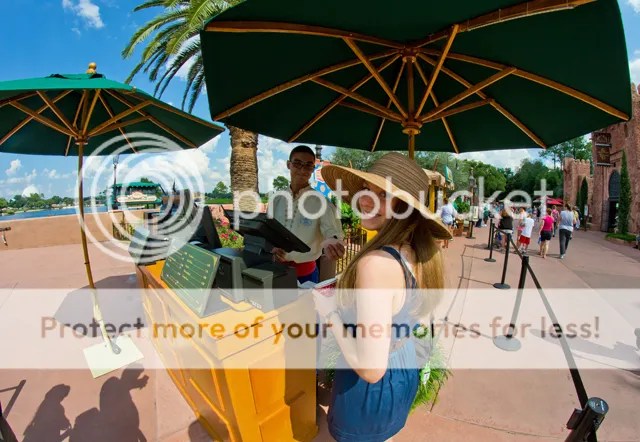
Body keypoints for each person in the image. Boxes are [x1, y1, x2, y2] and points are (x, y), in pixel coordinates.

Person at [316, 152, 450, 442]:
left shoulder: (376, 264)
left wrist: (329, 312)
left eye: (384, 195)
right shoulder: (418, 252)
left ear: (405, 207)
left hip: (369, 390)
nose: (366, 200)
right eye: (366, 189)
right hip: (403, 365)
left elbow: (370, 369)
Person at [271, 145, 345, 284]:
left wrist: (333, 244)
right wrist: (272, 248)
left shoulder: (321, 203)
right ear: (288, 165)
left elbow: (332, 232)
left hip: (306, 276)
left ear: (313, 168)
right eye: (297, 163)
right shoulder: (276, 199)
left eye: (308, 165)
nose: (303, 169)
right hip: (275, 270)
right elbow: (269, 231)